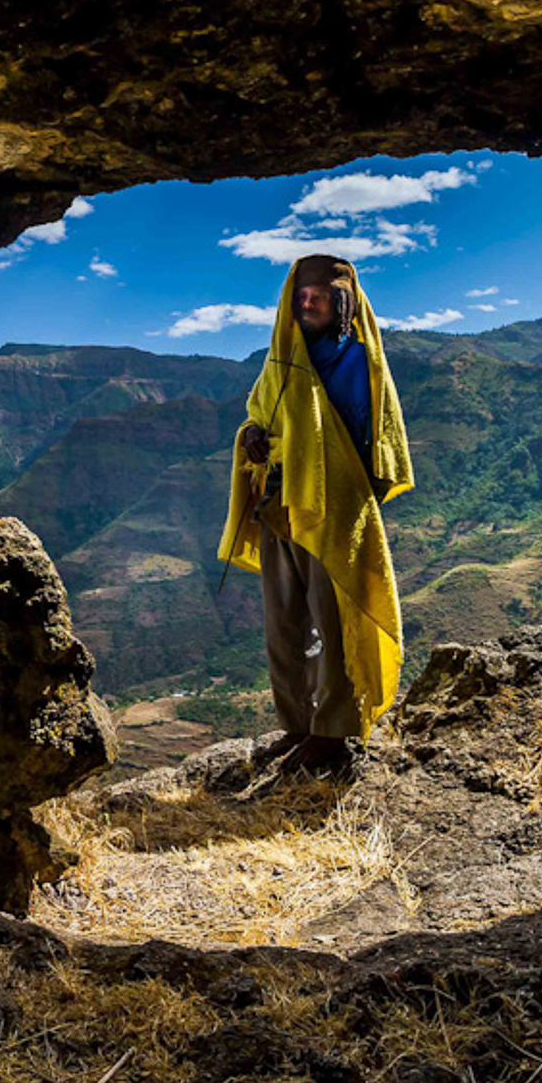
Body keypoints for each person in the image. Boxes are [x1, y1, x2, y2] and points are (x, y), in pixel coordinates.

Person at [215, 254, 414, 777]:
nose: (307, 304)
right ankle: (298, 725)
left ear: (342, 300)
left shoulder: (358, 362)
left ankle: (334, 734)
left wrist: (343, 484)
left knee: (336, 620)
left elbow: (378, 438)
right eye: (301, 296)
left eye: (319, 296)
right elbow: (260, 414)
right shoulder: (281, 358)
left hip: (334, 511)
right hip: (280, 506)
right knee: (284, 623)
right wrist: (253, 437)